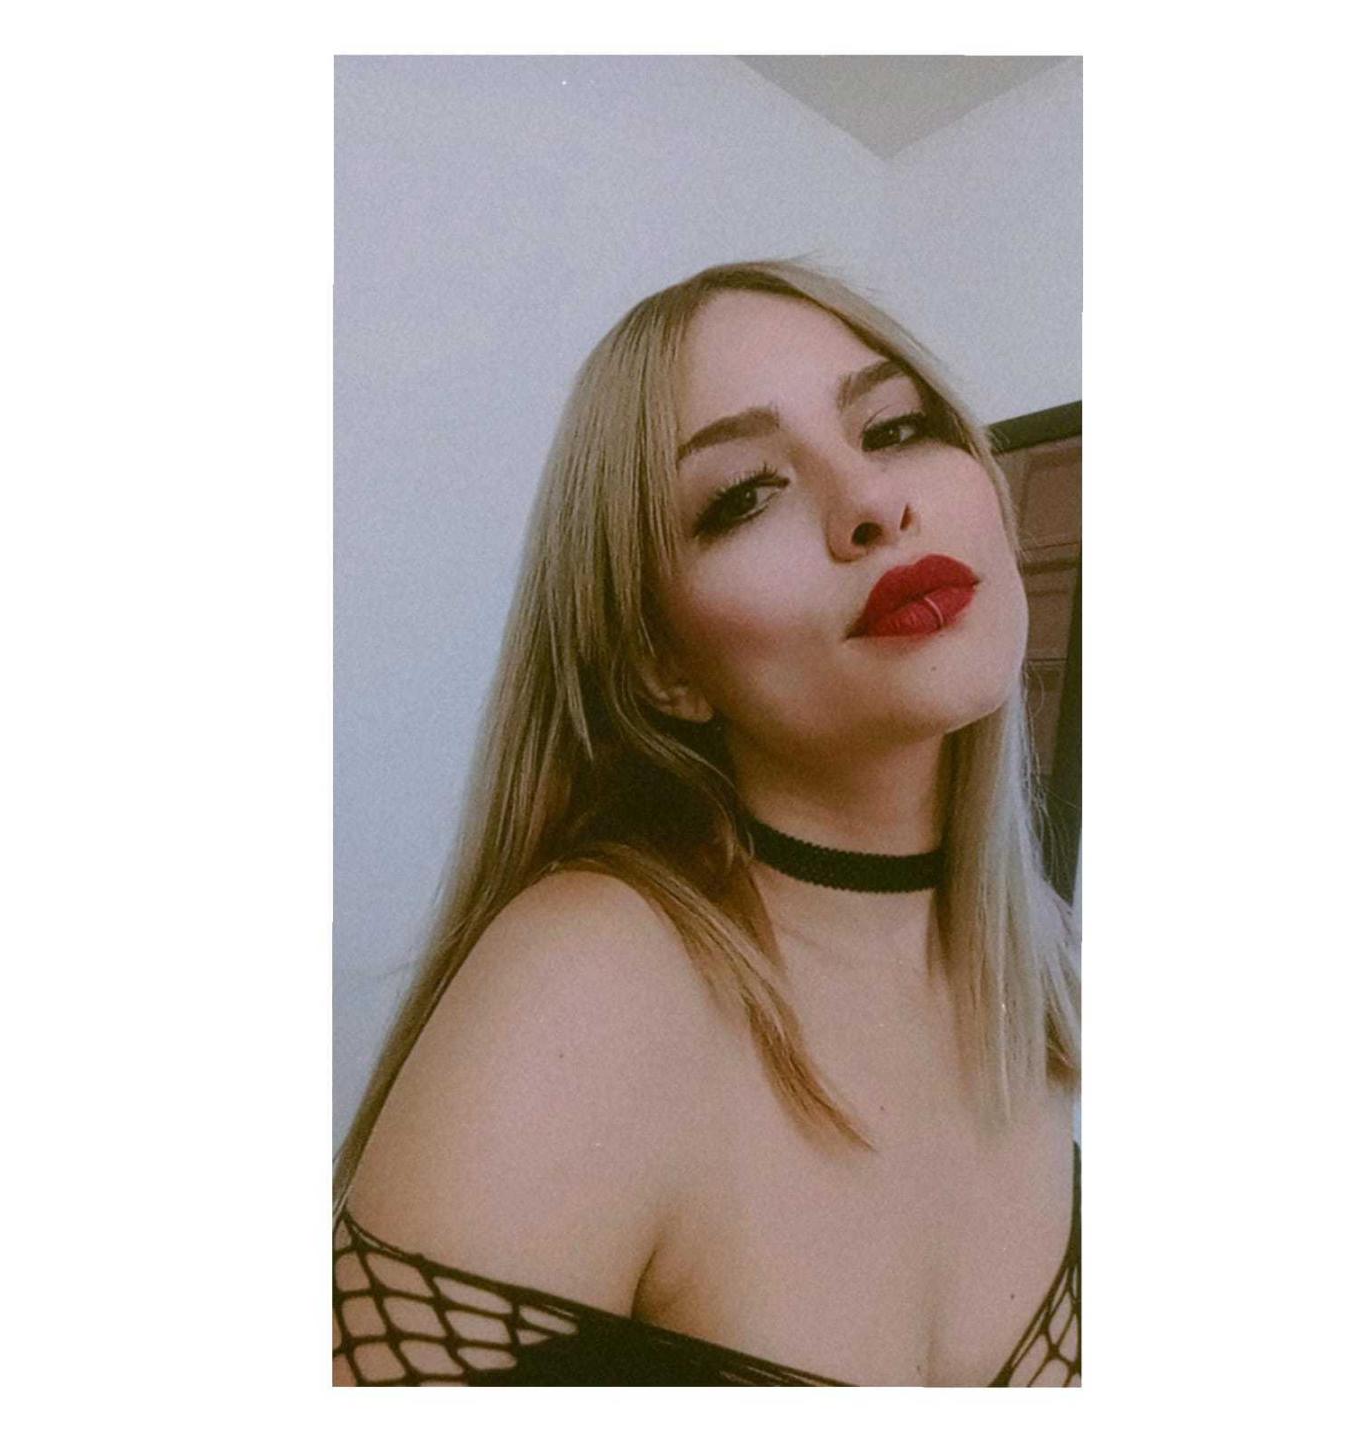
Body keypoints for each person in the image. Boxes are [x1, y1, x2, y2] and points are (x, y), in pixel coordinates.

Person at [332, 258, 1081, 1387]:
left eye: (893, 429)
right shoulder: (592, 980)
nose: (871, 504)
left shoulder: (1048, 980)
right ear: (663, 666)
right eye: (743, 496)